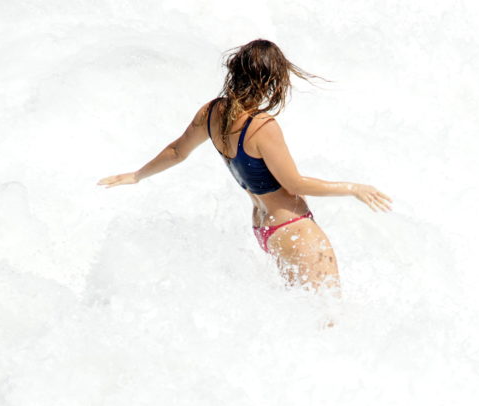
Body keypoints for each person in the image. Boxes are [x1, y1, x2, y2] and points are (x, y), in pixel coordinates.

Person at [98, 39, 392, 291]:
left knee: (301, 316)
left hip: (265, 229)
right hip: (293, 228)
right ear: (270, 80)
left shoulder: (212, 112)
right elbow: (294, 184)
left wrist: (137, 175)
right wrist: (354, 188)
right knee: (328, 317)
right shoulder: (262, 125)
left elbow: (177, 151)